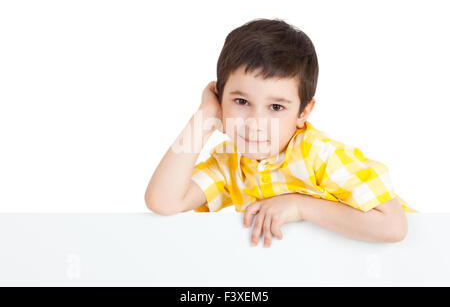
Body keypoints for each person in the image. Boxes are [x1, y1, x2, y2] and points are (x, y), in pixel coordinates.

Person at [145, 18, 417, 247]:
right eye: (241, 102)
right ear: (220, 98)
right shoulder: (230, 163)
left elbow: (393, 226)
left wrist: (300, 206)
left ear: (303, 112)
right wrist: (204, 116)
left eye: (275, 107)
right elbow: (163, 201)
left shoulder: (318, 155)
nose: (255, 123)